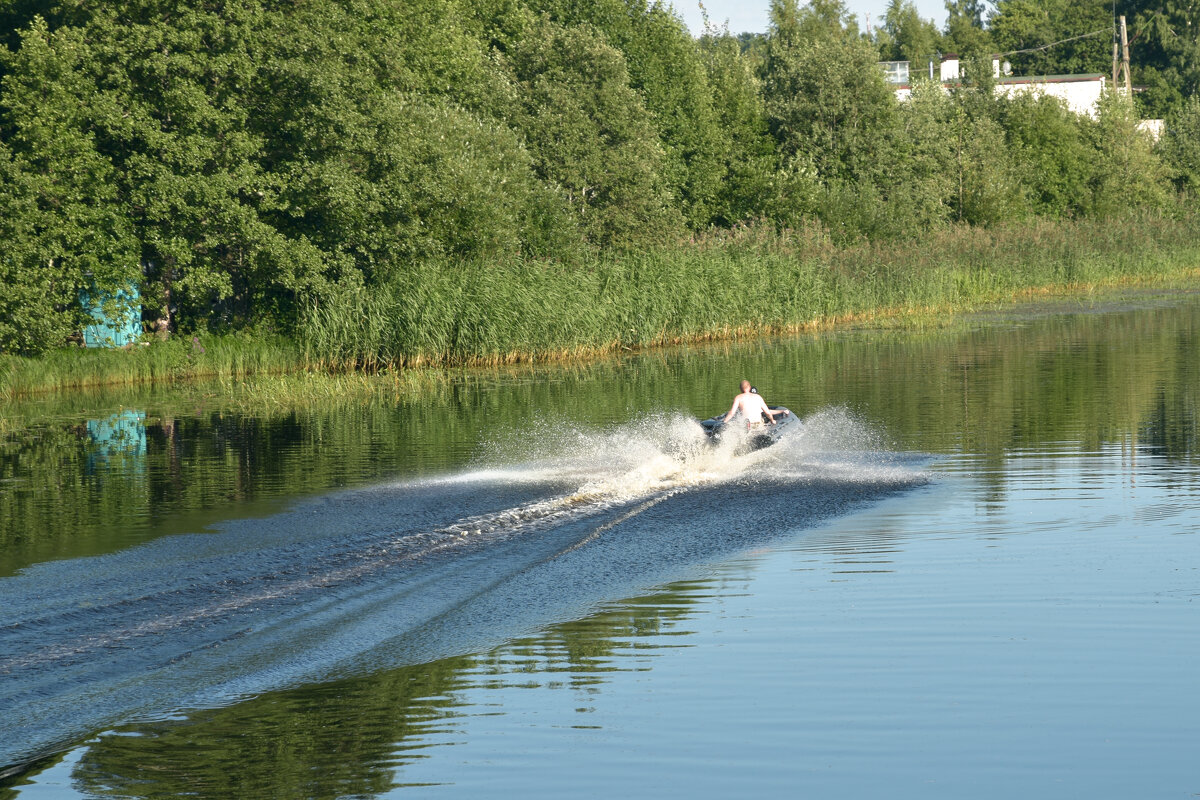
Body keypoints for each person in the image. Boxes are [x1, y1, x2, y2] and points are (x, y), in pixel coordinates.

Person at [723, 380, 789, 428]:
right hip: (758, 424)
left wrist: (723, 423)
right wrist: (772, 420)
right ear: (749, 387)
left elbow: (732, 413)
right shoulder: (758, 397)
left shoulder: (738, 398)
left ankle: (747, 427)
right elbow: (768, 412)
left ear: (740, 389)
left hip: (746, 425)